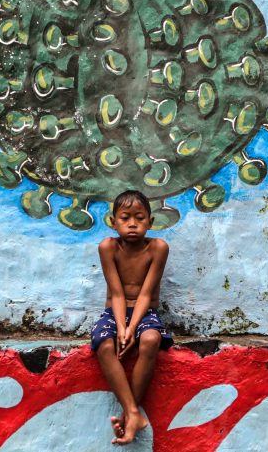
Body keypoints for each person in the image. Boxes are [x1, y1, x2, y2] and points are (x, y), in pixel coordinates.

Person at [90, 190, 173, 445]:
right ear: (114, 221)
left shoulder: (158, 248)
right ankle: (133, 412)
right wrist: (122, 328)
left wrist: (132, 327)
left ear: (150, 221)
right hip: (115, 312)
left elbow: (146, 294)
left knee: (150, 339)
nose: (133, 224)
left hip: (144, 312)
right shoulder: (108, 247)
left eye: (139, 218)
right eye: (125, 218)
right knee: (104, 344)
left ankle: (130, 414)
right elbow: (116, 293)